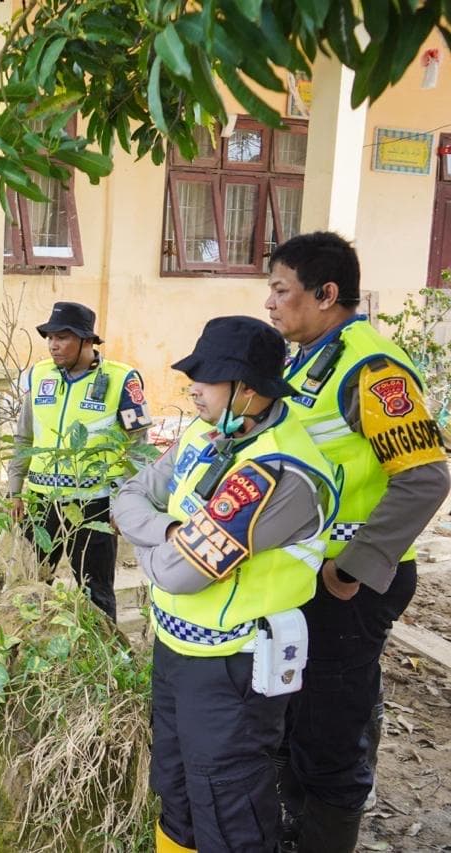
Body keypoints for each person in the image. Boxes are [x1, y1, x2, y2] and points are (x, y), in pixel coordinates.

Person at [112, 316, 339, 853]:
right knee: (176, 789)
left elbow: (176, 574)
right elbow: (128, 495)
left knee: (228, 809)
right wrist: (169, 531)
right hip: (176, 649)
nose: (192, 387)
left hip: (232, 668)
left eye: (206, 378)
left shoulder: (277, 471)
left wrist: (152, 547)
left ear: (250, 390)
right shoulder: (204, 433)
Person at [265, 232, 450, 851]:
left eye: (281, 290)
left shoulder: (370, 369)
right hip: (307, 579)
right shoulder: (309, 358)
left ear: (326, 294)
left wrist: (353, 565)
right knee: (300, 716)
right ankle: (297, 828)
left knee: (331, 726)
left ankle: (325, 837)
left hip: (349, 585)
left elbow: (425, 479)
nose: (270, 303)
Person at [7, 301, 152, 621]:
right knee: (31, 584)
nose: (53, 345)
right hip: (42, 503)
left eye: (63, 337)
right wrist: (15, 491)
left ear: (87, 341)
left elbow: (139, 448)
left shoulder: (122, 380)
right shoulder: (38, 375)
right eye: (50, 337)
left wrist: (124, 501)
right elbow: (24, 437)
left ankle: (105, 664)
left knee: (96, 590)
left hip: (95, 507)